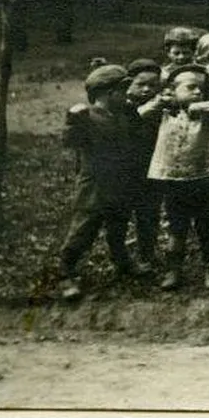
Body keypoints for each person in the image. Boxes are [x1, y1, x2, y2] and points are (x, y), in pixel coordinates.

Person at [57, 65, 143, 300]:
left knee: (119, 225)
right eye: (122, 91)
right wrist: (72, 119)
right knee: (85, 227)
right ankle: (65, 271)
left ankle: (122, 262)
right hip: (94, 184)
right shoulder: (87, 117)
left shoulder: (124, 114)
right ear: (106, 93)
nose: (126, 95)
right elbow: (69, 140)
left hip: (120, 182)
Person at [143, 63, 209, 291]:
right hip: (174, 179)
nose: (198, 92)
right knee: (176, 226)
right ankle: (173, 269)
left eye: (201, 88)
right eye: (191, 87)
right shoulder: (163, 111)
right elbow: (141, 112)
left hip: (203, 176)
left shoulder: (204, 111)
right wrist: (163, 100)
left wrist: (198, 102)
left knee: (206, 224)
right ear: (173, 89)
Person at [121, 58, 165, 269]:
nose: (147, 89)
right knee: (121, 214)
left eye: (152, 85)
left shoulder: (160, 107)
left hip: (151, 168)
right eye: (141, 85)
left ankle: (147, 252)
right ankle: (121, 258)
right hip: (125, 170)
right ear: (128, 84)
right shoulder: (121, 107)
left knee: (149, 213)